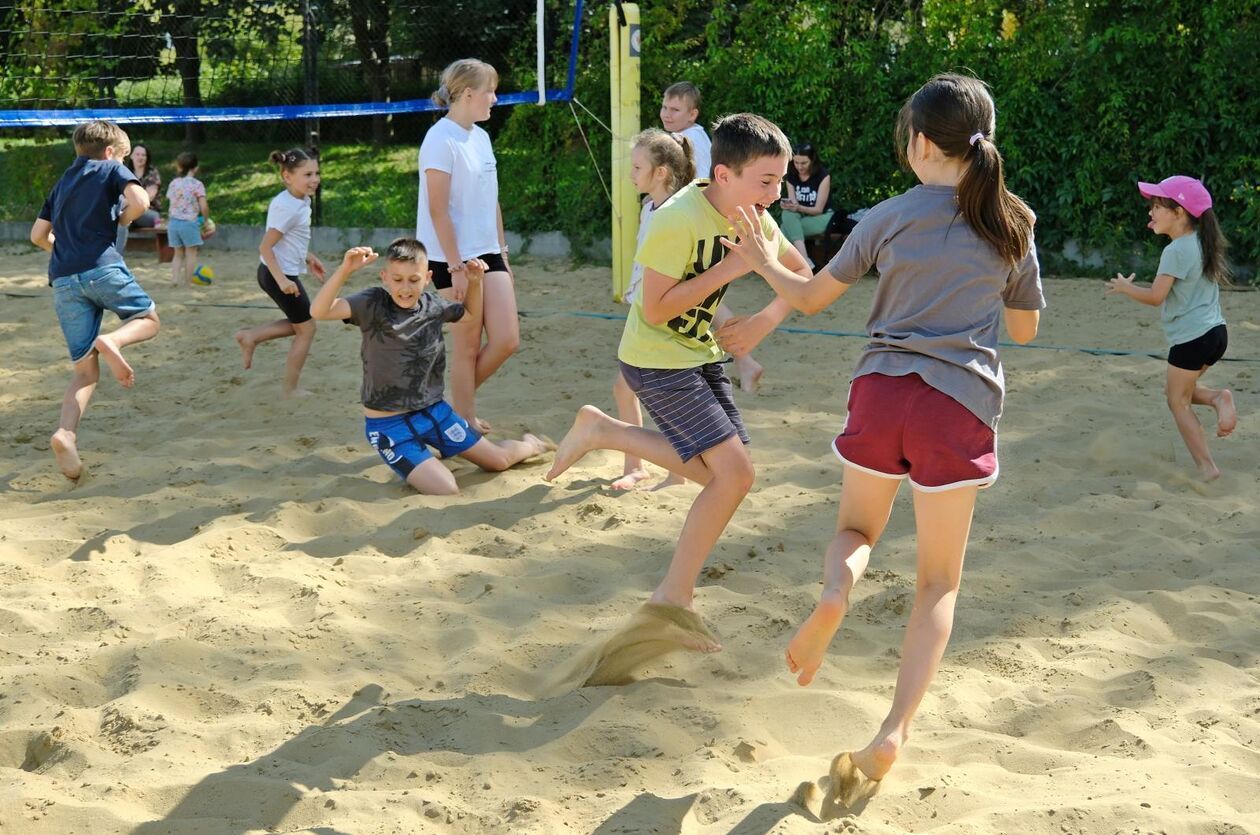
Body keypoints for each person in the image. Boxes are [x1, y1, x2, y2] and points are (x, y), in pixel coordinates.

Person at [720, 73, 1044, 807]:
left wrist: (761, 257)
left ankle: (835, 593)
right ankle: (894, 727)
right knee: (938, 582)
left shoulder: (888, 216)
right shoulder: (1013, 221)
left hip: (882, 390)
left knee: (856, 529)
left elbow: (807, 297)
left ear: (919, 143)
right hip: (958, 404)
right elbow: (1025, 329)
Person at [546, 113, 804, 654]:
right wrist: (733, 269)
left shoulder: (752, 214)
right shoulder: (676, 219)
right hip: (656, 359)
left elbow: (802, 273)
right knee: (733, 474)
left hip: (700, 355)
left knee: (730, 478)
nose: (775, 195)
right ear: (724, 175)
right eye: (766, 181)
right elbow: (658, 309)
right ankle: (673, 596)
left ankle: (605, 433)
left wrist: (763, 321)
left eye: (780, 181)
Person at [309, 239, 552, 494]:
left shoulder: (433, 305)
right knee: (446, 488)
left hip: (434, 412)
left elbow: (469, 315)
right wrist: (345, 269)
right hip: (389, 427)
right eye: (397, 279)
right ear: (385, 277)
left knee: (499, 462)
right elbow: (319, 311)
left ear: (427, 277)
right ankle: (421, 458)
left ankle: (532, 444)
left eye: (413, 280)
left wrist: (475, 283)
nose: (405, 288)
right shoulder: (372, 303)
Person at [29, 120, 161, 480]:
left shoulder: (61, 183)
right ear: (109, 152)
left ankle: (65, 434)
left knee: (85, 371)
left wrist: (64, 248)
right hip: (102, 267)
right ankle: (113, 340)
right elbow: (140, 200)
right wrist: (126, 218)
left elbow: (38, 234)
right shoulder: (110, 167)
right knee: (148, 320)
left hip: (63, 277)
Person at [1106, 175, 1236, 480]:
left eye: (1157, 206)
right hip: (1216, 334)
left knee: (1176, 401)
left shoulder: (1176, 251)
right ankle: (1218, 398)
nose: (1151, 211)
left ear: (1179, 213)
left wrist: (1126, 287)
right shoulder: (1200, 243)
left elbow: (1155, 297)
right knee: (1179, 392)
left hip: (1192, 339)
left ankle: (1207, 466)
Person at [417, 58, 517, 434]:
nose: (495, 97)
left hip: (488, 251)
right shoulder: (439, 139)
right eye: (490, 90)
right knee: (468, 344)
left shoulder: (480, 136)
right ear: (468, 93)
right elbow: (438, 211)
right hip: (449, 256)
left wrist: (503, 253)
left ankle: (443, 411)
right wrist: (457, 267)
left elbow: (490, 200)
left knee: (507, 339)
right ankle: (461, 419)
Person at [659, 80, 764, 392]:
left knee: (705, 301)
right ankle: (742, 361)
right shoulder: (700, 136)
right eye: (664, 107)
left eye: (674, 109)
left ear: (693, 114)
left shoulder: (680, 141)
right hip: (704, 228)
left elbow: (686, 187)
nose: (667, 113)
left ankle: (744, 360)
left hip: (697, 231)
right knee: (706, 301)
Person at [609, 128, 696, 491]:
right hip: (645, 309)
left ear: (661, 172)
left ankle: (673, 471)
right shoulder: (651, 208)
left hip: (662, 315)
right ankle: (639, 466)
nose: (631, 173)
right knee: (625, 389)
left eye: (637, 166)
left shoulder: (675, 213)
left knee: (660, 392)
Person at [233, 147, 326, 398]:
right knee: (306, 329)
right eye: (307, 174)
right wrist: (283, 280)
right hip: (277, 275)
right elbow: (266, 245)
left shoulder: (297, 200)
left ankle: (251, 336)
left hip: (277, 272)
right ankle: (289, 389)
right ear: (287, 176)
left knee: (302, 324)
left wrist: (306, 257)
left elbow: (289, 239)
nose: (315, 179)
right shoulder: (290, 206)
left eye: (316, 173)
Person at [780, 141, 834, 266]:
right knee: (787, 213)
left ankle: (798, 264)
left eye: (804, 163)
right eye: (796, 162)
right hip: (801, 217)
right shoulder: (792, 175)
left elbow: (818, 209)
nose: (799, 166)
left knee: (785, 229)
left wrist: (797, 207)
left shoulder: (823, 175)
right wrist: (789, 205)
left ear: (812, 160)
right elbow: (793, 202)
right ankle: (804, 261)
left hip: (823, 217)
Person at [165, 152, 210, 288]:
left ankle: (175, 279)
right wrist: (206, 220)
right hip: (189, 223)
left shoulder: (174, 183)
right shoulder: (197, 185)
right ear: (195, 168)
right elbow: (203, 206)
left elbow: (171, 201)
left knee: (177, 254)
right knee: (191, 253)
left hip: (173, 223)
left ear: (179, 167)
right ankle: (188, 282)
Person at [114, 142, 162, 252]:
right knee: (122, 221)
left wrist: (126, 202)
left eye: (143, 155)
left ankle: (116, 256)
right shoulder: (125, 172)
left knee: (122, 215)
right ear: (131, 156)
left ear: (147, 157)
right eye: (137, 154)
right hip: (129, 210)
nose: (140, 157)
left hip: (149, 213)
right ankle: (113, 256)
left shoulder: (152, 173)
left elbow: (147, 198)